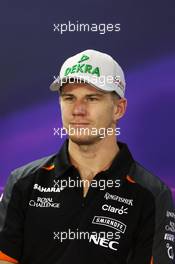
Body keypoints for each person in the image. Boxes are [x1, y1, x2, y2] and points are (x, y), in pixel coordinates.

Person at [0, 49, 174, 264]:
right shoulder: (22, 182)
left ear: (119, 109)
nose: (78, 110)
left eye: (92, 98)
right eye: (69, 98)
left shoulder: (151, 193)